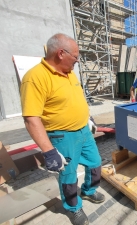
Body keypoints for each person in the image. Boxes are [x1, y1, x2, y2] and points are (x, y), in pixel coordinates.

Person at [20, 33, 104, 225]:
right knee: (68, 175)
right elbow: (31, 118)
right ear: (60, 53)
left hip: (83, 130)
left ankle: (89, 191)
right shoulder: (35, 78)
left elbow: (77, 99)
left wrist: (87, 117)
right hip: (62, 136)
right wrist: (49, 151)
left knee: (95, 163)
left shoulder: (70, 72)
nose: (77, 60)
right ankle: (73, 207)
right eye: (76, 56)